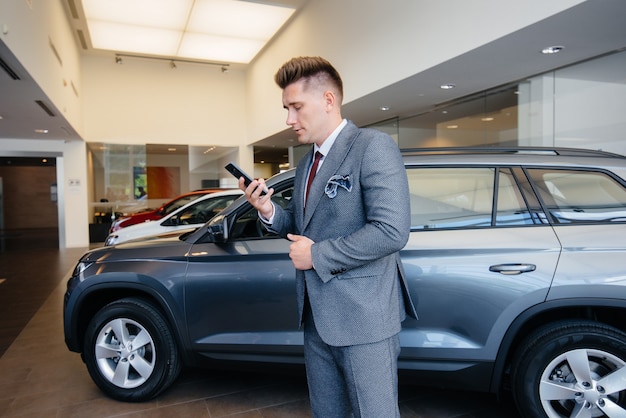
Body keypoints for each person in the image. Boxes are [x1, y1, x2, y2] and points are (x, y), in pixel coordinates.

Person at [240, 56, 416, 418]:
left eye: (296, 107)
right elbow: (307, 229)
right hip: (316, 317)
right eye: (286, 108)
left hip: (364, 318)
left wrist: (317, 256)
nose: (289, 119)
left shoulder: (373, 146)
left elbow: (392, 230)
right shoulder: (307, 162)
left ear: (328, 100)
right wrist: (268, 211)